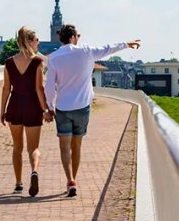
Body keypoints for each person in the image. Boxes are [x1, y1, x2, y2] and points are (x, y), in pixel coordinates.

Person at [44, 24, 140, 197]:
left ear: (61, 38)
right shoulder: (86, 52)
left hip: (63, 107)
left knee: (64, 145)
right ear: (73, 37)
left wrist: (49, 108)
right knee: (77, 144)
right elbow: (108, 49)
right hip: (82, 106)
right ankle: (75, 178)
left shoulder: (54, 58)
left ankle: (70, 179)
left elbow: (49, 87)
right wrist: (126, 44)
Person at [0, 26, 49, 197]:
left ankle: (18, 183)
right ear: (29, 42)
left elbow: (6, 88)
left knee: (17, 147)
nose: (38, 43)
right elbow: (39, 88)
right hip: (32, 107)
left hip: (14, 105)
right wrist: (46, 109)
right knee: (33, 148)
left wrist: (2, 110)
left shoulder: (9, 62)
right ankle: (34, 171)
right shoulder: (37, 62)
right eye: (36, 40)